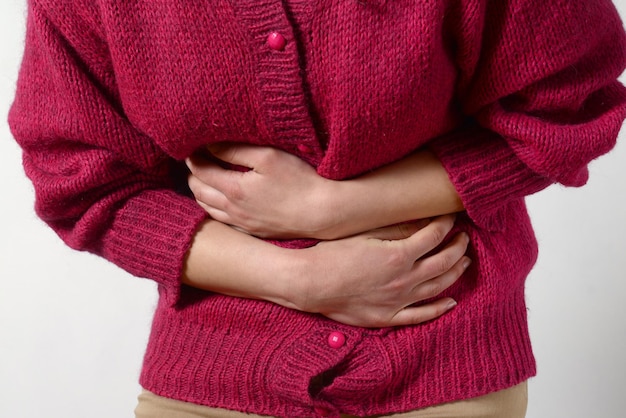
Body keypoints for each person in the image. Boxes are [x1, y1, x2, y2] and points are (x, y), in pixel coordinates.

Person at [8, 0, 626, 417]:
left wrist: (329, 208)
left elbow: (569, 112)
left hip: (446, 357)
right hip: (212, 371)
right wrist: (297, 278)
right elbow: (81, 177)